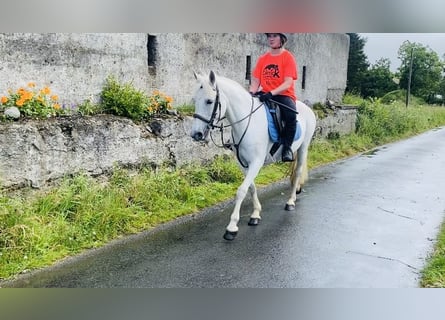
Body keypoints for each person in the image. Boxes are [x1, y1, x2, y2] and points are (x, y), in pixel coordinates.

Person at [249, 33, 298, 162]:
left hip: (283, 95)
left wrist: (271, 93)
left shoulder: (288, 57)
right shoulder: (263, 58)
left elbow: (288, 83)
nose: (271, 38)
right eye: (269, 36)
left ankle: (287, 148)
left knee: (291, 116)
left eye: (274, 36)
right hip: (265, 94)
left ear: (282, 39)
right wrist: (251, 93)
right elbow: (255, 81)